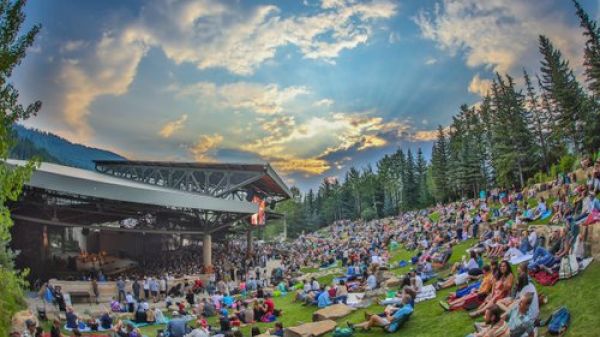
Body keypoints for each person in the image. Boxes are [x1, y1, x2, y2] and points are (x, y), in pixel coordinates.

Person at [347, 294, 413, 332]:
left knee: (374, 317)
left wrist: (388, 313)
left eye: (402, 298)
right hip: (394, 323)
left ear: (403, 300)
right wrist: (394, 309)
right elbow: (400, 314)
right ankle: (354, 326)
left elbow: (390, 319)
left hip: (390, 326)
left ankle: (366, 328)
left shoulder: (403, 310)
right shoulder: (409, 308)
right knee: (371, 321)